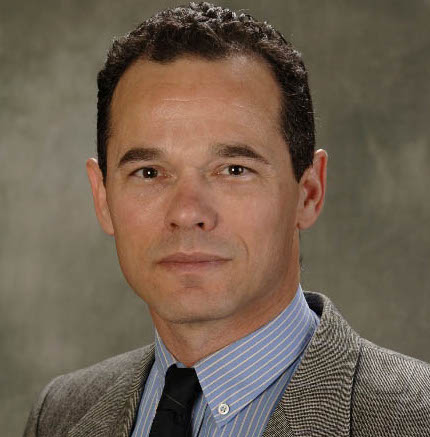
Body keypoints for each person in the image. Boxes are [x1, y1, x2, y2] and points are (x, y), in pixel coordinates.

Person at [24, 2, 430, 436]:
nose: (187, 213)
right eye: (149, 173)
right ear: (103, 197)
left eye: (234, 169)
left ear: (308, 192)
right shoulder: (59, 415)